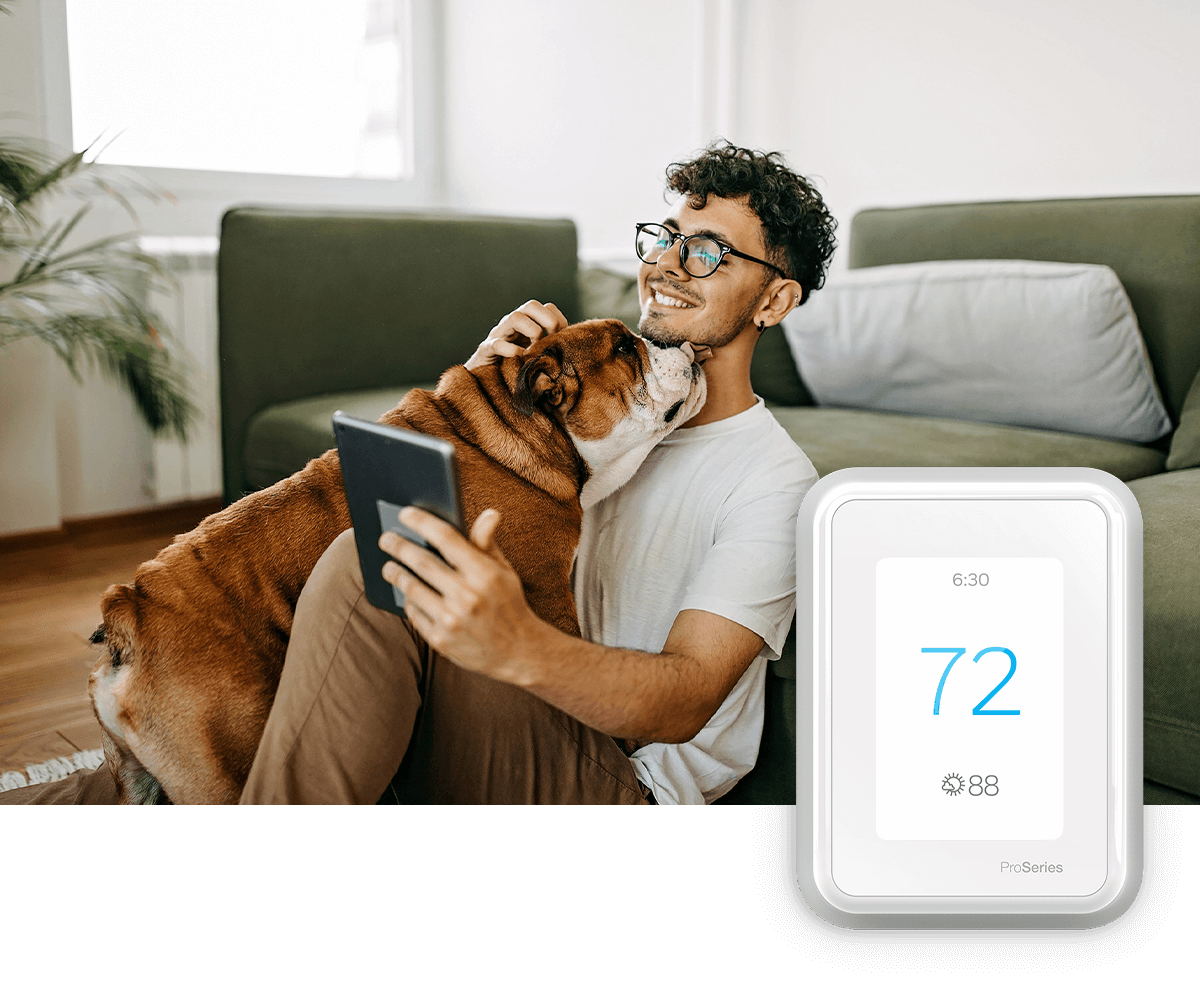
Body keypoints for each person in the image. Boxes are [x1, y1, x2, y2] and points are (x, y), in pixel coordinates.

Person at [5, 141, 835, 805]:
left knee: (377, 566)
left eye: (707, 254)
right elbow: (443, 502)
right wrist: (483, 395)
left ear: (774, 302)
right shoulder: (604, 425)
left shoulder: (772, 480)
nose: (664, 265)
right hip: (496, 712)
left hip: (622, 780)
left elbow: (688, 698)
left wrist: (515, 644)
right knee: (381, 550)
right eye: (664, 239)